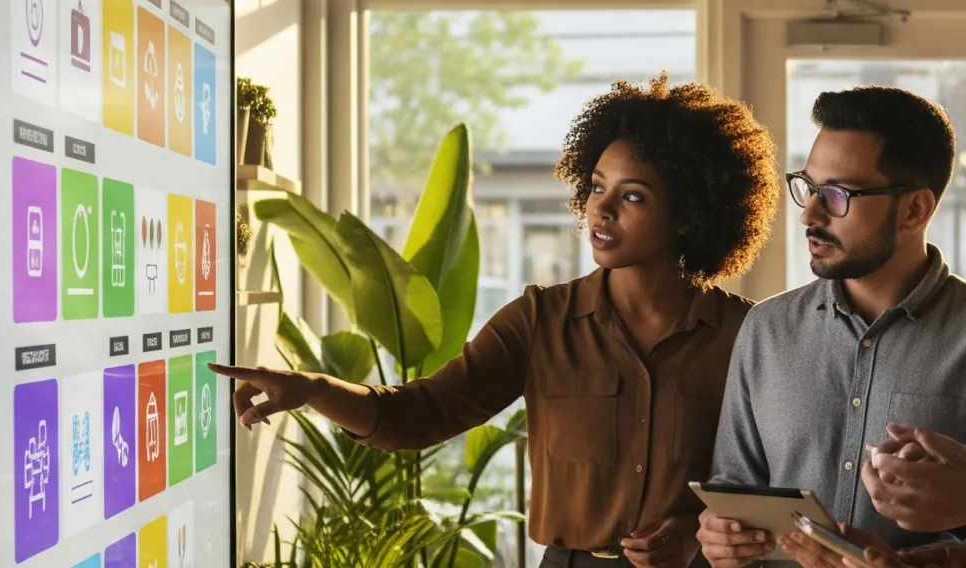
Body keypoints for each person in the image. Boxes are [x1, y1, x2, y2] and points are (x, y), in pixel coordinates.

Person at [210, 72, 780, 568]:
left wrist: (695, 535)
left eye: (632, 197)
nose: (600, 210)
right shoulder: (539, 321)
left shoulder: (748, 337)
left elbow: (771, 484)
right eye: (598, 187)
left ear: (690, 215)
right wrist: (313, 388)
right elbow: (420, 414)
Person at [694, 84, 966, 568]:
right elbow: (735, 488)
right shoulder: (766, 329)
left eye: (838, 194)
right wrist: (720, 536)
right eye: (810, 186)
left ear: (915, 210)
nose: (809, 214)